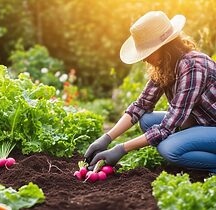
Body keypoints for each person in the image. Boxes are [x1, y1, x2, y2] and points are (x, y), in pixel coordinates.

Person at [84, 11, 216, 173]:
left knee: (169, 148)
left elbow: (166, 128)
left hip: (212, 127)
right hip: (202, 123)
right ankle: (195, 156)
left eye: (147, 52)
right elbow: (141, 105)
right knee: (147, 120)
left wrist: (121, 149)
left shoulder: (193, 67)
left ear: (165, 47)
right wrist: (106, 138)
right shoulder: (167, 65)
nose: (144, 59)